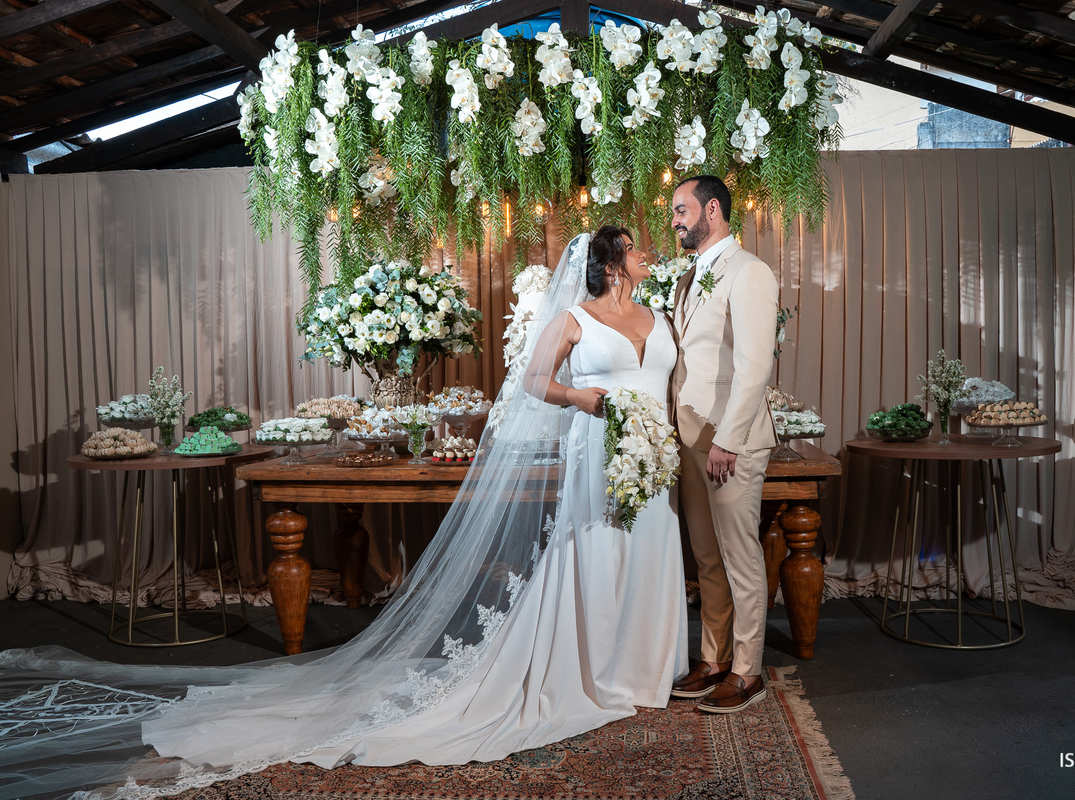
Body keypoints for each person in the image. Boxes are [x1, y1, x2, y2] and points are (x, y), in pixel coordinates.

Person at [0, 228, 688, 799]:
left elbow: (671, 379)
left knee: (650, 548)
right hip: (598, 450)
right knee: (593, 552)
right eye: (636, 248)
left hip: (655, 458)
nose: (648, 253)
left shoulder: (658, 317)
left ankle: (644, 666)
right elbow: (535, 382)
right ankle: (594, 667)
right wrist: (585, 402)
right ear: (607, 262)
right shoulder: (574, 318)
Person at [668, 175, 780, 714]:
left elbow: (756, 366)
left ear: (712, 209)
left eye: (681, 210)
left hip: (730, 439)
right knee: (707, 557)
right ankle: (713, 660)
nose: (674, 220)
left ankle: (747, 668)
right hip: (691, 436)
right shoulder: (688, 280)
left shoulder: (751, 272)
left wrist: (729, 441)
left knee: (740, 557)